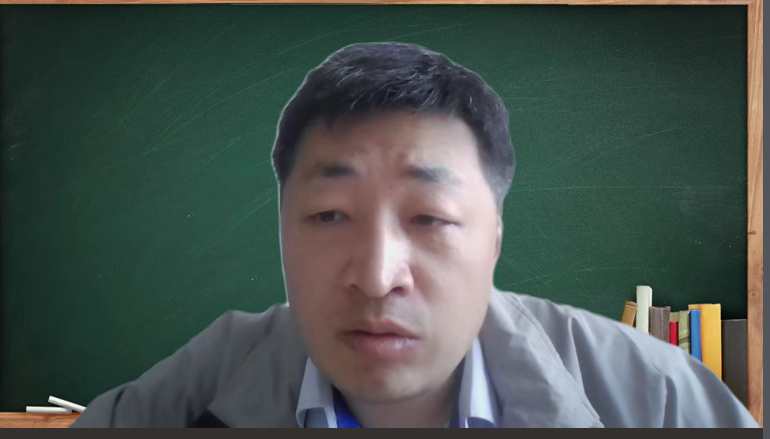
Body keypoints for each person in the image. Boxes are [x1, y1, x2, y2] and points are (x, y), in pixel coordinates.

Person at [71, 42, 758, 428]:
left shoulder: (657, 399)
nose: (377, 277)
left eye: (430, 217)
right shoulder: (200, 386)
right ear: (281, 231)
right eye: (329, 214)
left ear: (494, 238)